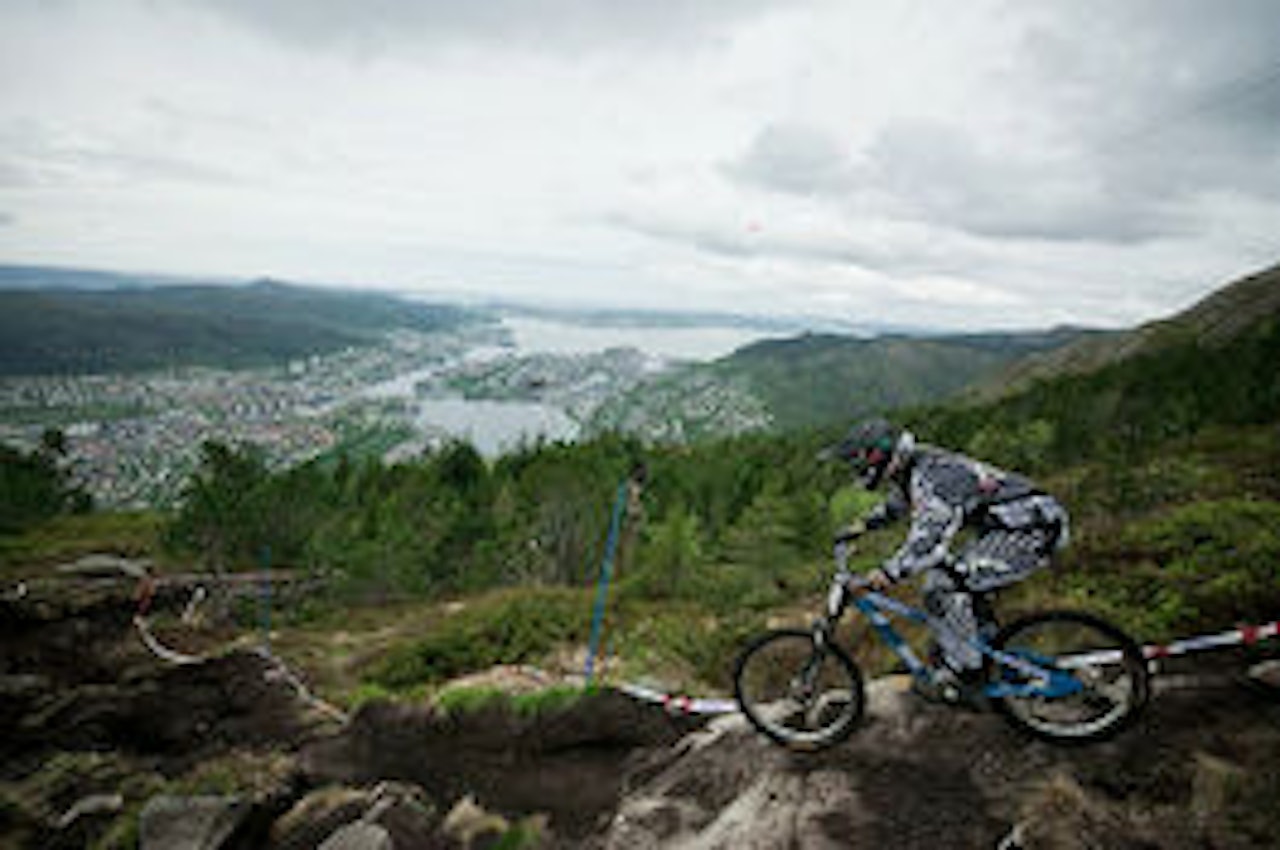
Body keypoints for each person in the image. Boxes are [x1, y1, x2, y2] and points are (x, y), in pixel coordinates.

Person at [828, 418, 1070, 704]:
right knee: (955, 587)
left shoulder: (935, 477)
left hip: (1032, 530)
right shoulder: (914, 468)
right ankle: (989, 657)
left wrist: (886, 573)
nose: (858, 468)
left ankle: (969, 673)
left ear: (882, 454)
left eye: (862, 460)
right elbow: (898, 505)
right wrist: (861, 526)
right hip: (1007, 528)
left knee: (943, 585)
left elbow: (929, 544)